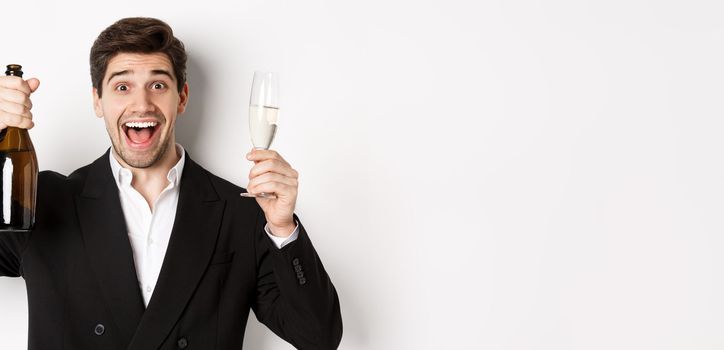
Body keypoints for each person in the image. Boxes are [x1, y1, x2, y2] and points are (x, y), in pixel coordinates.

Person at [0, 17, 342, 349]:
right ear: (97, 101)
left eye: (158, 85)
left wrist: (283, 228)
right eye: (122, 86)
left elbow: (317, 337)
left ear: (181, 98)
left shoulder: (241, 212)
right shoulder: (43, 200)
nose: (141, 104)